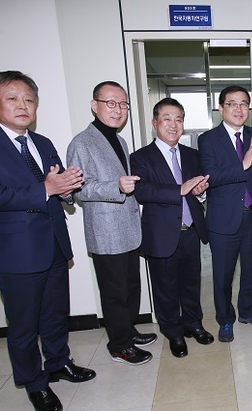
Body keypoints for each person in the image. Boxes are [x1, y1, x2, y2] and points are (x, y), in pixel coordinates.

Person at [0, 70, 95, 411]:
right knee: (24, 324)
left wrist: (67, 189)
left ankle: (58, 363)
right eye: (13, 98)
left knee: (56, 314)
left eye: (29, 99)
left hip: (53, 242)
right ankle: (35, 383)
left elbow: (57, 188)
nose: (23, 105)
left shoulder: (42, 143)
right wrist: (46, 188)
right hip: (15, 250)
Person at [67, 81, 157, 366]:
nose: (118, 110)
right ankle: (119, 345)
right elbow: (79, 189)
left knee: (131, 287)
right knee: (114, 292)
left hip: (128, 228)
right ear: (94, 105)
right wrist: (115, 186)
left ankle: (127, 331)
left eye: (123, 104)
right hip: (106, 231)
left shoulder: (120, 140)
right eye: (110, 103)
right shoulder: (82, 142)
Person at [130, 97, 213, 358]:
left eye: (178, 119)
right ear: (155, 123)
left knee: (192, 284)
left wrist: (199, 192)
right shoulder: (140, 157)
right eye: (167, 119)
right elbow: (142, 191)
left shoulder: (192, 155)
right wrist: (179, 189)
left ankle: (193, 324)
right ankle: (174, 332)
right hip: (161, 234)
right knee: (165, 289)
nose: (173, 125)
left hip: (191, 230)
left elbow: (197, 191)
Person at [198, 85, 252, 342]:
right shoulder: (208, 139)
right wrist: (243, 164)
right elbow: (212, 177)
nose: (239, 109)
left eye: (244, 104)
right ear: (221, 108)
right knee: (223, 274)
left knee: (251, 269)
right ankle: (225, 319)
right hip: (224, 218)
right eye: (232, 103)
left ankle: (248, 311)